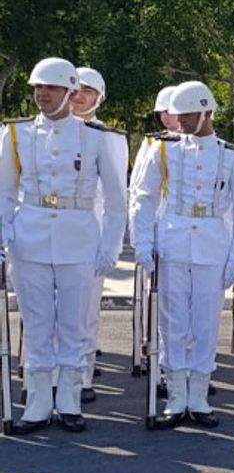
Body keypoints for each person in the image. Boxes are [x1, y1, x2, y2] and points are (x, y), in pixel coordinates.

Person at [2, 59, 127, 434]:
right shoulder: (15, 135)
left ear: (70, 92)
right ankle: (38, 404)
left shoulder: (95, 137)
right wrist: (3, 239)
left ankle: (70, 399)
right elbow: (4, 194)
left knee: (73, 326)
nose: (42, 94)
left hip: (79, 240)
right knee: (38, 325)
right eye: (38, 88)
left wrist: (110, 247)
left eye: (51, 88)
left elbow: (117, 202)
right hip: (30, 239)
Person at [131, 81, 234, 428]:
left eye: (186, 114)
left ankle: (198, 395)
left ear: (205, 113)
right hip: (173, 242)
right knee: (173, 323)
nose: (178, 120)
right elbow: (144, 199)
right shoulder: (163, 149)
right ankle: (177, 394)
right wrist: (142, 243)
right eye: (177, 114)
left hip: (212, 243)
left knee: (205, 321)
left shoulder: (230, 155)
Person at [69, 67, 128, 404]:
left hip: (90, 230)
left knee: (85, 310)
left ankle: (82, 375)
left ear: (100, 98)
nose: (80, 95)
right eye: (76, 88)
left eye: (89, 91)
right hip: (49, 230)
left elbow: (116, 196)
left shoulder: (108, 137)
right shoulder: (39, 131)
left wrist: (111, 244)